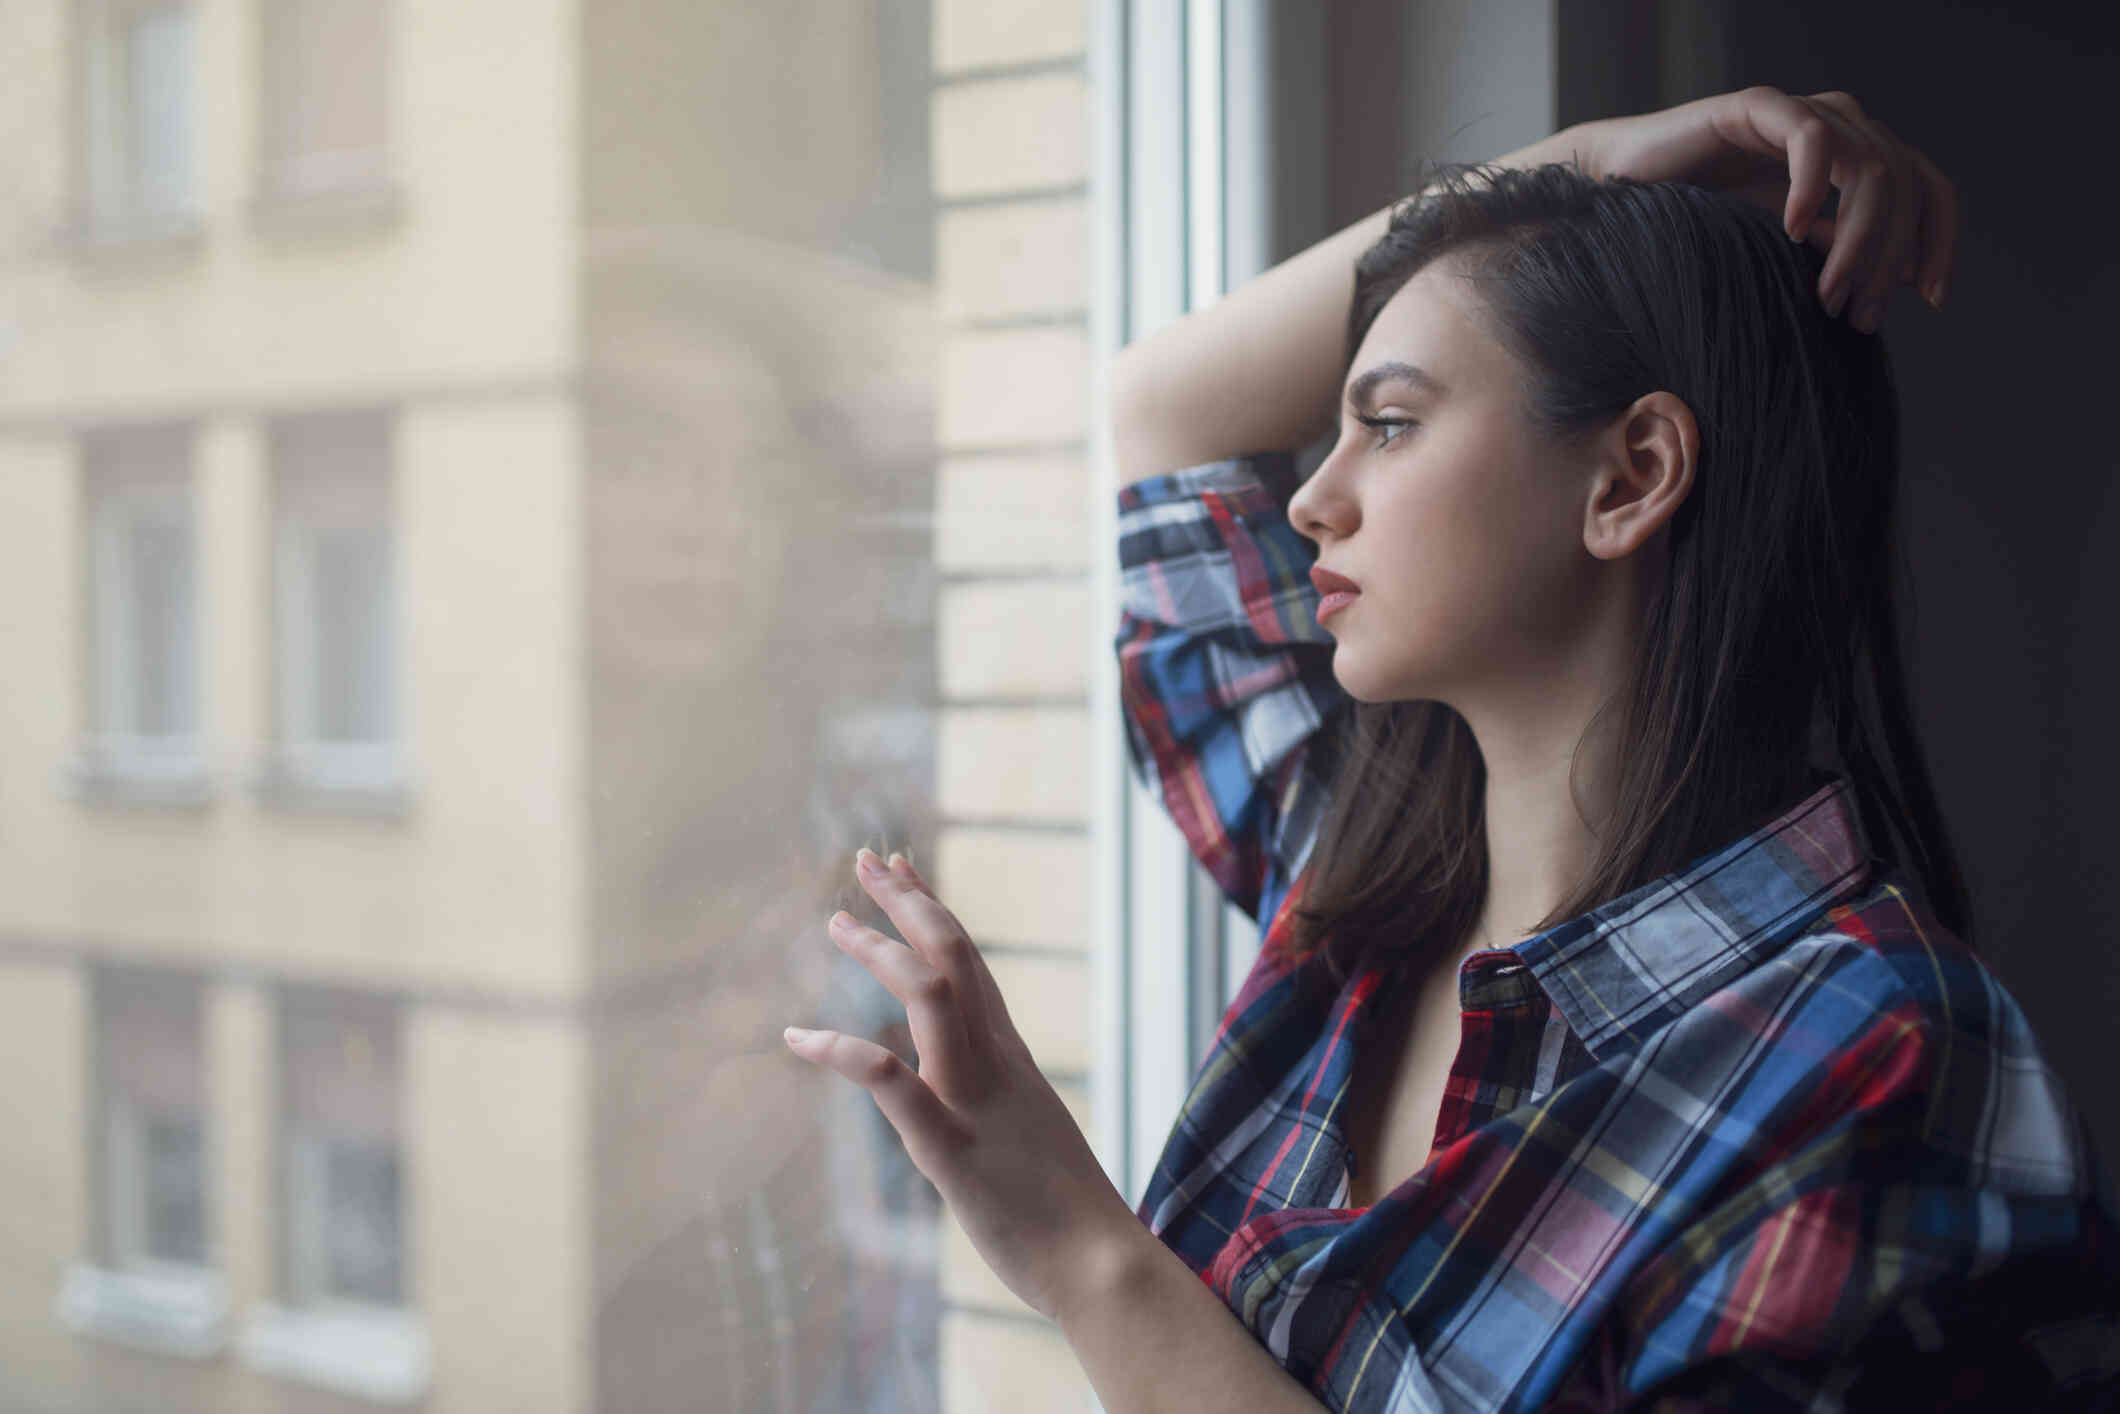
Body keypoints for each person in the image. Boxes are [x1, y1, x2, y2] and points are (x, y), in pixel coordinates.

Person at [1107, 87, 2120, 1409]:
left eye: (1393, 423)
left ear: (1632, 474)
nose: (1313, 493)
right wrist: (1593, 170)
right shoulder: (1355, 895)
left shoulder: (1876, 1059)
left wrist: (1084, 1259)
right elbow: (1161, 407)